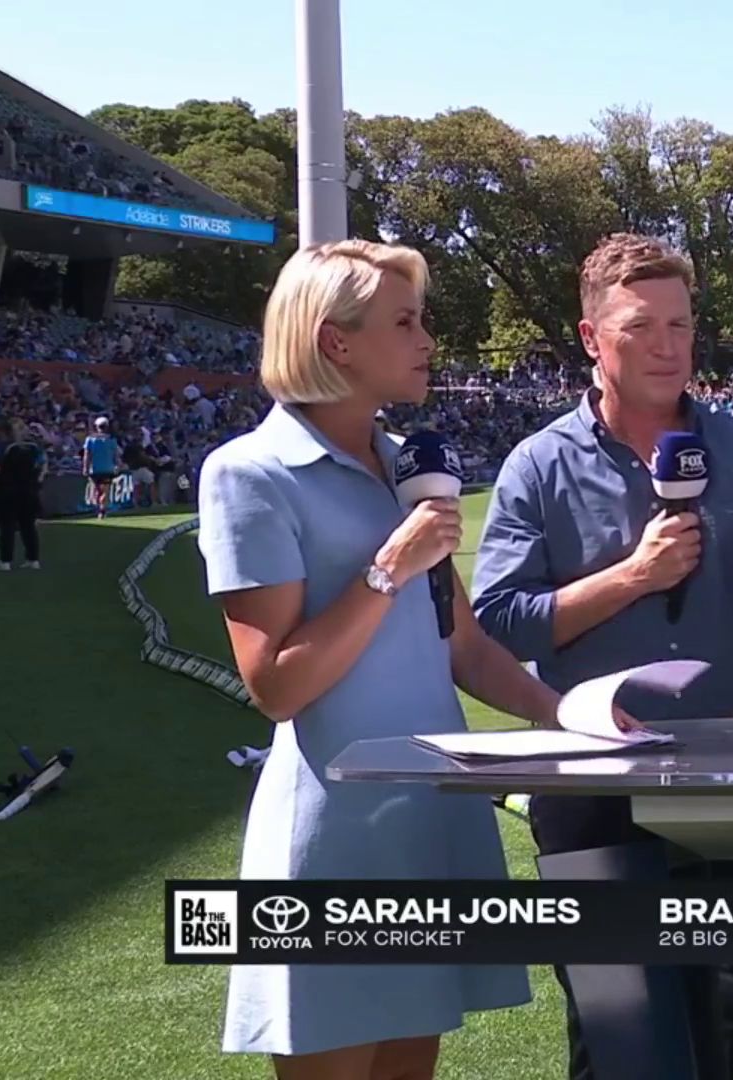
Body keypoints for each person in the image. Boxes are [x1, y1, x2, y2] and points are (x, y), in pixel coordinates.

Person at [471, 233, 733, 1080]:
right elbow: (501, 622)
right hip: (586, 776)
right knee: (616, 1030)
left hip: (723, 772)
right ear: (591, 338)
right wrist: (632, 577)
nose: (667, 347)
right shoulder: (538, 465)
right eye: (640, 327)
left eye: (681, 325)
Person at [200, 240, 563, 1079]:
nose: (428, 340)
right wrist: (387, 568)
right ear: (336, 341)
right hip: (334, 835)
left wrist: (569, 715)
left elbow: (461, 644)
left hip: (430, 816)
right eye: (405, 323)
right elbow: (277, 686)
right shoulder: (248, 474)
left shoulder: (410, 466)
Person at [0, 421, 45, 570]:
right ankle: (33, 559)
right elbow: (41, 464)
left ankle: (5, 561)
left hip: (8, 491)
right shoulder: (33, 447)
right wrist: (37, 479)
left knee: (7, 526)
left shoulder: (6, 447)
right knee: (28, 526)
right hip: (29, 490)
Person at [81, 416, 119, 518]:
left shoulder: (90, 440)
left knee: (97, 490)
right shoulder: (111, 440)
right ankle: (102, 509)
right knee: (105, 491)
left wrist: (85, 468)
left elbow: (87, 455)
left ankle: (99, 508)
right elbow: (115, 455)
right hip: (108, 469)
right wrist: (117, 465)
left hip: (95, 470)